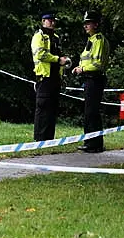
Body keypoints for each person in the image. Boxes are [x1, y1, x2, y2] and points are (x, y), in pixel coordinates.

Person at [72, 10, 110, 152]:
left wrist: (82, 69)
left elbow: (98, 64)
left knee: (91, 112)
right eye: (85, 23)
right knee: (90, 112)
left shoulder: (98, 40)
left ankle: (93, 144)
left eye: (88, 23)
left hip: (94, 78)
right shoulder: (91, 40)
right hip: (90, 79)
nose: (85, 26)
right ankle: (92, 142)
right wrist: (80, 67)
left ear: (96, 24)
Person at [31, 11, 69, 141]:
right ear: (43, 21)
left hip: (55, 78)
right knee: (42, 107)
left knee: (52, 109)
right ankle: (39, 138)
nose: (52, 22)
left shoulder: (56, 38)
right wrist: (58, 60)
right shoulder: (39, 36)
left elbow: (59, 55)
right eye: (49, 20)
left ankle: (49, 139)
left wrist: (63, 64)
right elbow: (40, 55)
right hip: (44, 77)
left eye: (54, 20)